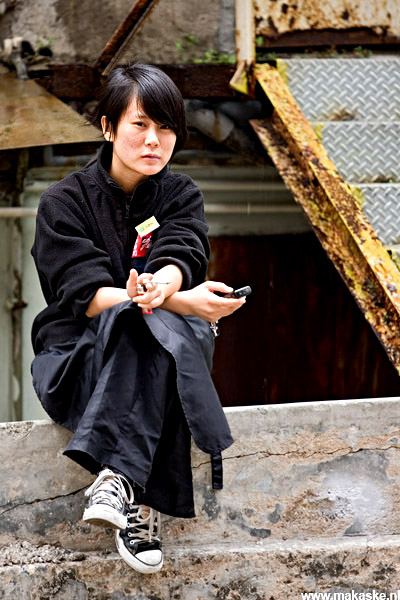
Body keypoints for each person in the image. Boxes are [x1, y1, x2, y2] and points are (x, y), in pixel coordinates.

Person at [30, 63, 246, 575]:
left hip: (155, 350)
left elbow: (180, 251)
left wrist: (165, 287)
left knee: (158, 329)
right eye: (140, 124)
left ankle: (116, 481)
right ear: (108, 127)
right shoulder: (62, 202)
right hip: (78, 361)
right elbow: (88, 296)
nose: (154, 140)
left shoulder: (180, 194)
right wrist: (183, 302)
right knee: (152, 324)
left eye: (166, 127)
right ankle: (140, 500)